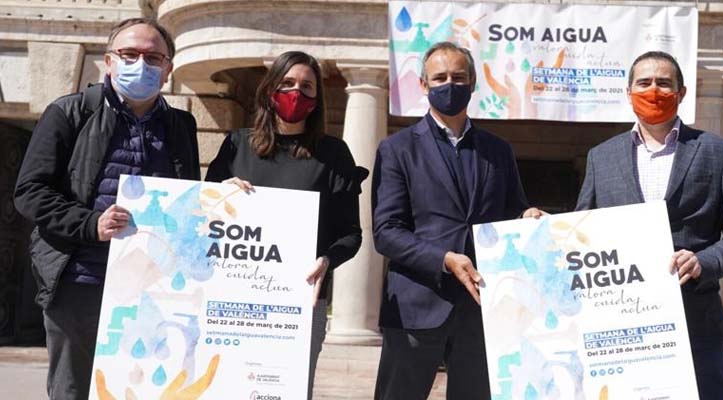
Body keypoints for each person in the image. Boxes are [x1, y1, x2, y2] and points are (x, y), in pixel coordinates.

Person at [13, 17, 200, 399]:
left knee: (144, 388)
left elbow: (188, 198)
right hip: (80, 281)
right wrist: (90, 223)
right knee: (74, 390)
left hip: (153, 288)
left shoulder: (182, 125)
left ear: (168, 69)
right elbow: (29, 192)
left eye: (152, 57)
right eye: (129, 54)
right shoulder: (70, 112)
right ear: (109, 61)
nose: (140, 64)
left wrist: (226, 196)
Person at [576, 50, 723, 399]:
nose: (654, 90)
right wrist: (543, 230)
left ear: (681, 92)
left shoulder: (716, 152)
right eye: (644, 83)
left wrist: (704, 261)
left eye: (664, 83)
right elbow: (581, 234)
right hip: (622, 328)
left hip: (696, 323)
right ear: (628, 92)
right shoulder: (601, 157)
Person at [371, 41, 542, 400]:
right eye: (440, 77)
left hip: (483, 310)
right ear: (423, 85)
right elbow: (387, 232)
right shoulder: (397, 148)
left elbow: (514, 212)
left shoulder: (498, 150)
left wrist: (528, 216)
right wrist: (444, 260)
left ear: (474, 83)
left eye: (459, 77)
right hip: (416, 306)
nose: (450, 84)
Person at [205, 50, 367, 399]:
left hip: (299, 308)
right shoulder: (236, 145)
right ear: (269, 90)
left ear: (317, 98)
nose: (298, 93)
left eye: (308, 87)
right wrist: (218, 196)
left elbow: (351, 235)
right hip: (230, 306)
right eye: (288, 83)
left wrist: (327, 261)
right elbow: (198, 218)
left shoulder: (334, 154)